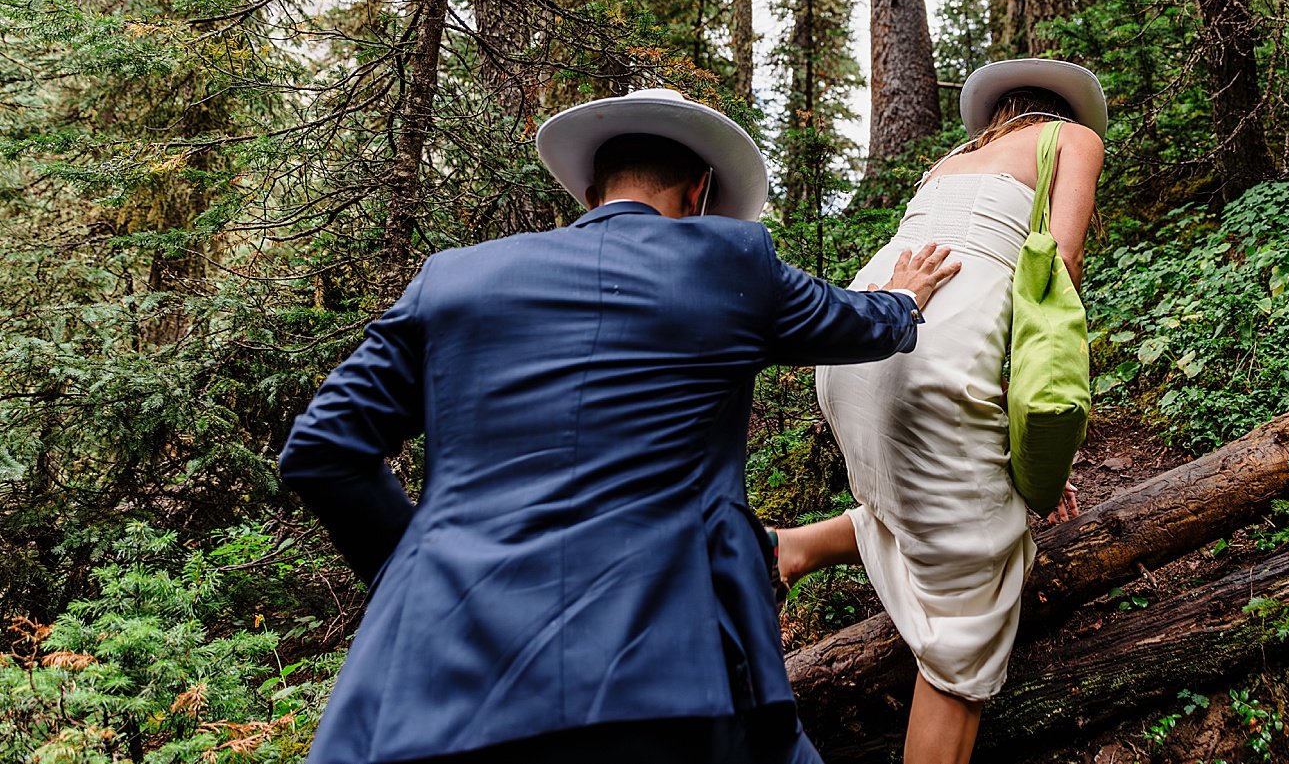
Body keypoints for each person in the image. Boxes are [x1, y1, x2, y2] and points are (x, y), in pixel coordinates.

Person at [279, 88, 961, 764]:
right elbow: (862, 323)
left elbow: (321, 450)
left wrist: (431, 588)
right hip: (663, 682)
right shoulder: (731, 260)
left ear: (591, 197)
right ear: (697, 195)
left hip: (421, 699)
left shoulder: (450, 278)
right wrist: (906, 297)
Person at [776, 59, 1106, 764]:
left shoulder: (949, 161)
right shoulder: (1074, 141)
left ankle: (792, 547)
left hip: (862, 335)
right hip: (937, 361)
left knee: (941, 499)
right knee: (969, 613)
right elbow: (1062, 272)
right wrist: (1048, 427)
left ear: (998, 112)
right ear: (1064, 111)